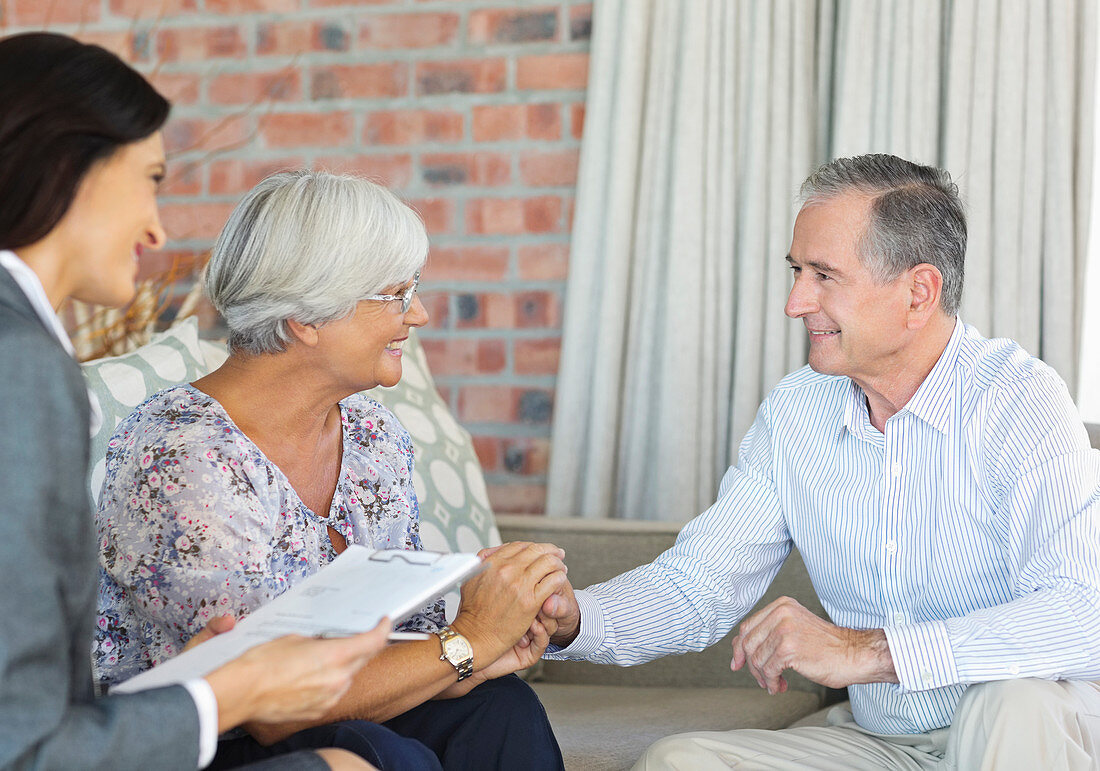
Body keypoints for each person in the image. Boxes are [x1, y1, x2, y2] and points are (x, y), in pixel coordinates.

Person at [537, 154, 1100, 769]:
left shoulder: (1019, 399)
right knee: (682, 761)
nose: (795, 303)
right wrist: (572, 617)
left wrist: (870, 653)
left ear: (919, 292)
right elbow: (697, 585)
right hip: (884, 745)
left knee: (1011, 703)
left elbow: (1080, 612)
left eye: (824, 276)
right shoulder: (796, 412)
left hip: (1028, 730)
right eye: (796, 271)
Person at [0, 31, 397, 771]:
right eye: (150, 178)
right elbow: (24, 743)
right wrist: (230, 692)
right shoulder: (19, 363)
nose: (159, 225)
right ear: (67, 168)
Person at [94, 170, 568, 771]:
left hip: (334, 711)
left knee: (501, 707)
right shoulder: (186, 457)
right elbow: (265, 707)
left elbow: (404, 645)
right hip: (207, 739)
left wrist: (488, 650)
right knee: (377, 753)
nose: (418, 313)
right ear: (305, 318)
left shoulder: (372, 435)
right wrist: (469, 640)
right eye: (394, 293)